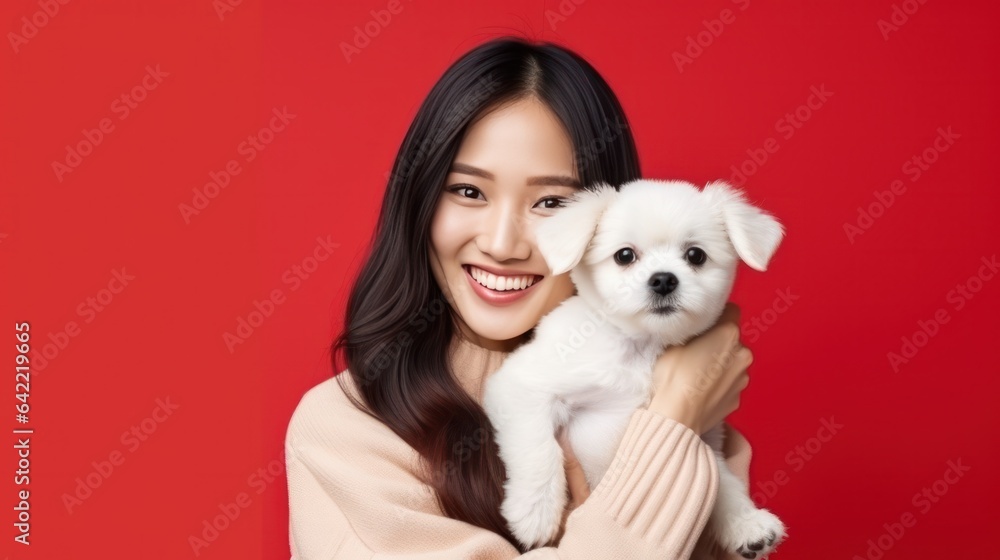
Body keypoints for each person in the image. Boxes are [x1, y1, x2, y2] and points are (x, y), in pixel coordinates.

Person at [285, 36, 756, 559]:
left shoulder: (690, 415)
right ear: (417, 198)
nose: (503, 244)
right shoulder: (342, 430)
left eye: (551, 201)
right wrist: (672, 419)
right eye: (469, 191)